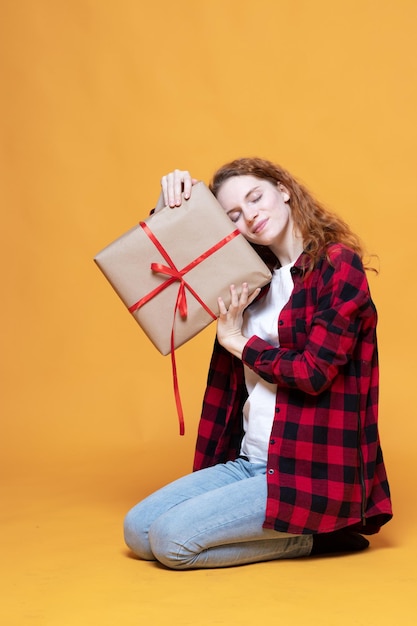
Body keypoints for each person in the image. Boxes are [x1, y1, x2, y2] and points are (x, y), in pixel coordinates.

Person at [123, 157, 392, 569]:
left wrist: (240, 342)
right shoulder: (249, 278)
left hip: (304, 471)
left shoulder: (337, 267)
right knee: (137, 530)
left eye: (256, 197)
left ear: (283, 189)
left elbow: (313, 372)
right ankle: (300, 532)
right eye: (234, 214)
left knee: (171, 542)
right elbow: (170, 267)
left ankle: (322, 537)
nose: (250, 216)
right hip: (250, 462)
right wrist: (171, 206)